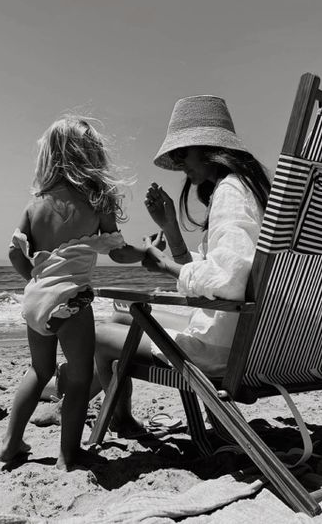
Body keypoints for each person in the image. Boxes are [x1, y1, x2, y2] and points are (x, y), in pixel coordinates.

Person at [94, 95, 270, 436]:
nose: (180, 165)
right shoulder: (253, 189)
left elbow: (229, 280)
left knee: (99, 335)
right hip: (256, 337)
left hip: (227, 350)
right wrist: (172, 230)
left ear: (207, 148)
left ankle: (121, 421)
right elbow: (224, 272)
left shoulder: (231, 191)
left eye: (181, 154)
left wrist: (165, 267)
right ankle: (83, 401)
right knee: (120, 316)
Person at [0, 114, 146, 470]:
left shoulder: (35, 204)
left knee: (39, 369)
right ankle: (69, 454)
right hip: (71, 300)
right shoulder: (97, 200)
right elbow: (118, 251)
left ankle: (11, 443)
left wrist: (34, 280)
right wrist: (147, 254)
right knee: (79, 378)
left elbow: (15, 253)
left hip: (36, 297)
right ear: (90, 156)